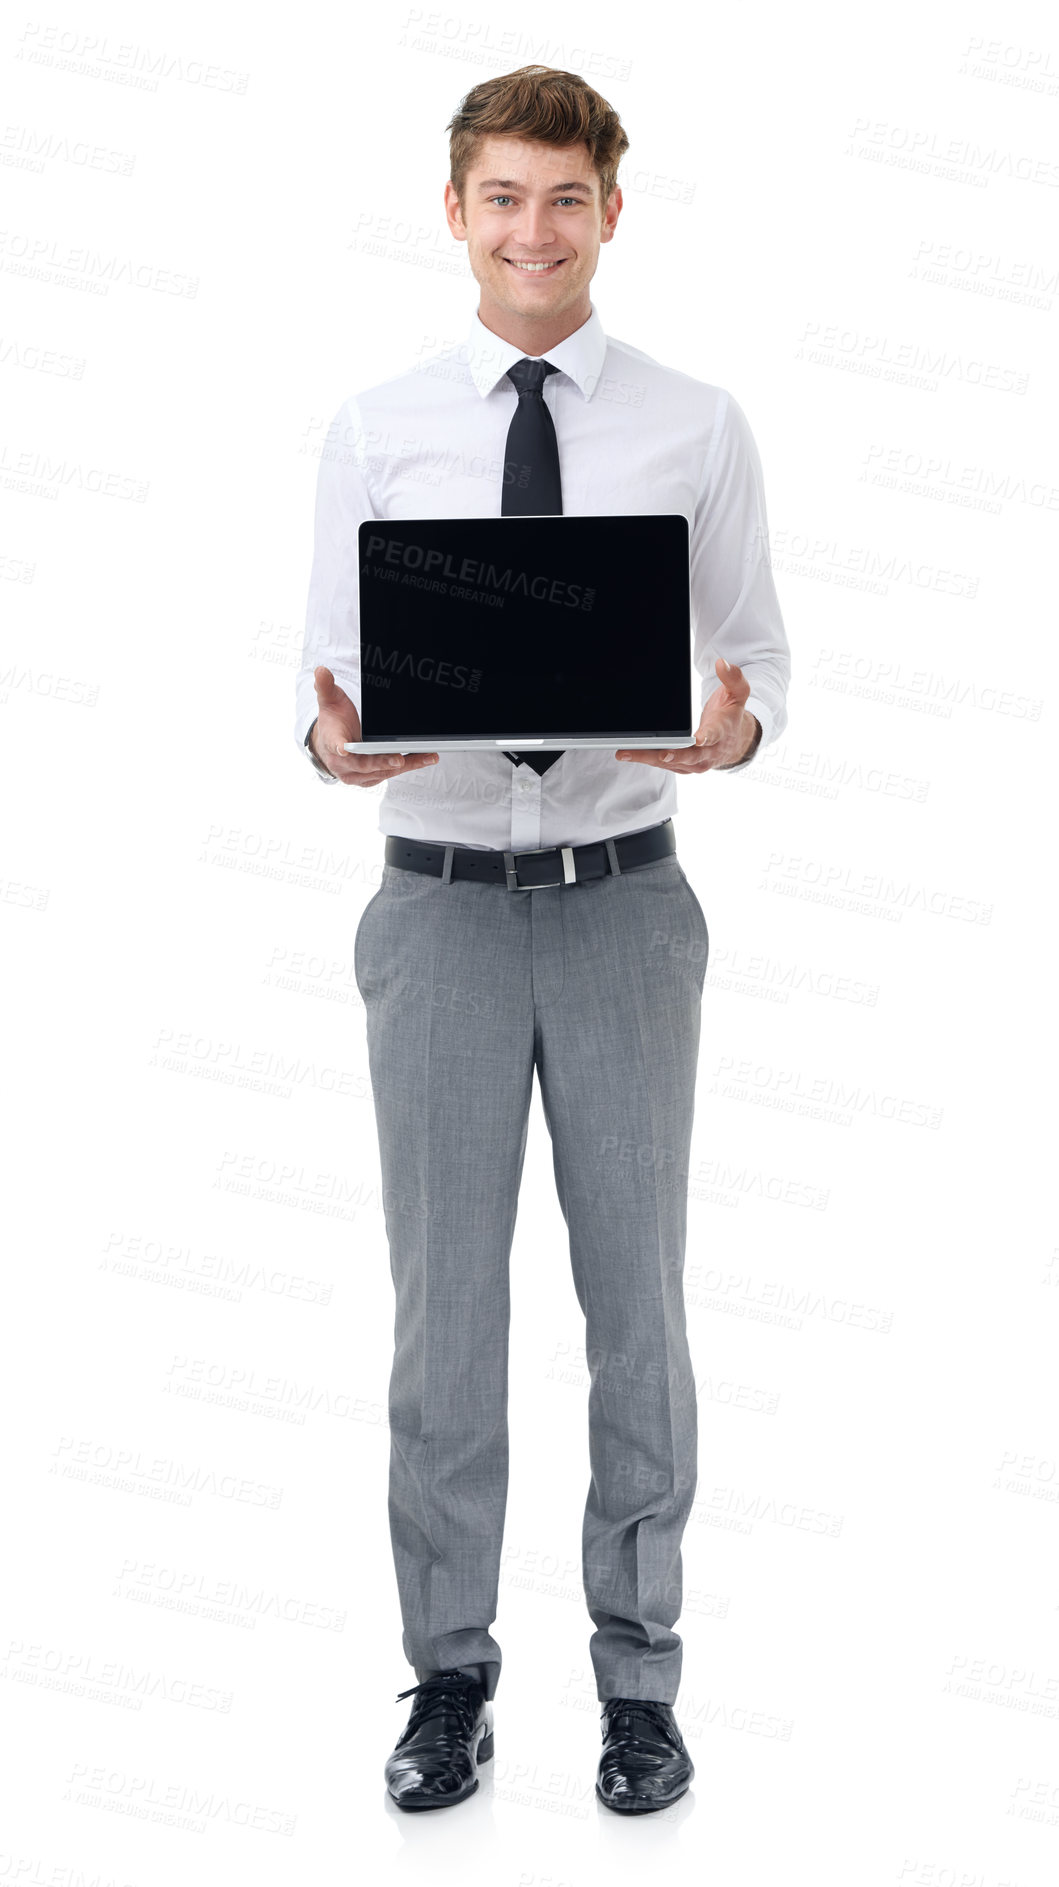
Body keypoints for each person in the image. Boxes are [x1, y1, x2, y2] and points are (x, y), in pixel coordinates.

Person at [295, 63, 791, 1816]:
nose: (533, 230)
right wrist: (335, 737)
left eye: (564, 198)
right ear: (455, 211)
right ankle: (447, 1684)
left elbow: (761, 670)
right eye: (501, 197)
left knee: (635, 1311)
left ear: (609, 214)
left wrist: (722, 731)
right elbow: (325, 683)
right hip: (431, 911)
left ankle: (638, 1689)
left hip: (624, 911)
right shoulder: (379, 424)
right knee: (445, 1329)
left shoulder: (695, 420)